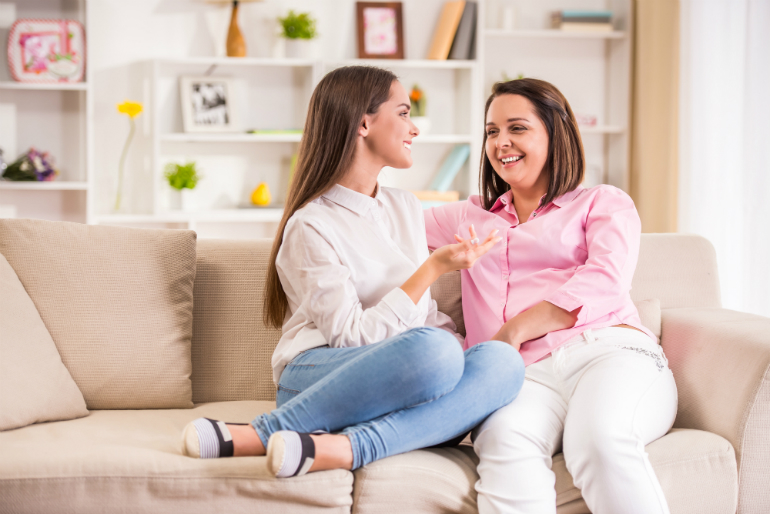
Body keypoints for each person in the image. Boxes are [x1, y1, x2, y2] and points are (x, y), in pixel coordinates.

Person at [181, 66, 525, 479]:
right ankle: (270, 429)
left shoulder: (405, 206)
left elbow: (425, 323)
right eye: (403, 113)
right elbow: (350, 339)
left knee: (502, 362)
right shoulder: (311, 225)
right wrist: (432, 268)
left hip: (404, 377)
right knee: (436, 351)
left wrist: (463, 357)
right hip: (320, 376)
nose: (413, 128)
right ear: (364, 122)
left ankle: (340, 448)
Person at [424, 78, 678, 514]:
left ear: (555, 133)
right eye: (491, 131)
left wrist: (515, 329)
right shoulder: (467, 217)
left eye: (517, 128)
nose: (501, 142)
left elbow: (606, 278)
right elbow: (378, 223)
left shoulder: (602, 203)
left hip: (607, 352)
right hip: (522, 377)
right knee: (503, 442)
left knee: (598, 440)